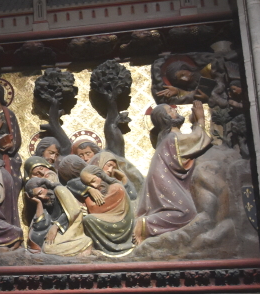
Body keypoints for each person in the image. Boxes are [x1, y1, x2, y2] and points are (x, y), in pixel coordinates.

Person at [134, 102, 212, 243]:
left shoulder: (173, 136)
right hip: (163, 177)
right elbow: (197, 139)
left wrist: (195, 123)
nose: (175, 110)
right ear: (166, 118)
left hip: (165, 175)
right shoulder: (173, 137)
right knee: (186, 212)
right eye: (171, 110)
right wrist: (200, 119)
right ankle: (145, 225)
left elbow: (192, 143)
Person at [22, 177, 92, 256]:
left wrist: (56, 226)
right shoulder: (46, 202)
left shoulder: (59, 190)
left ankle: (85, 243)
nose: (41, 197)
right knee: (46, 246)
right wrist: (39, 203)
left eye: (40, 192)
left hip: (72, 224)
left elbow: (74, 210)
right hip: (59, 228)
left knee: (48, 248)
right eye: (37, 197)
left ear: (44, 186)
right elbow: (40, 225)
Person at [74, 165, 134, 256]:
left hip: (119, 224)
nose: (94, 186)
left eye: (93, 181)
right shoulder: (95, 189)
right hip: (108, 219)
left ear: (100, 175)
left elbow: (95, 209)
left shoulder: (116, 187)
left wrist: (86, 198)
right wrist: (89, 190)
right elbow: (71, 183)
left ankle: (103, 249)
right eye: (89, 184)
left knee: (88, 219)